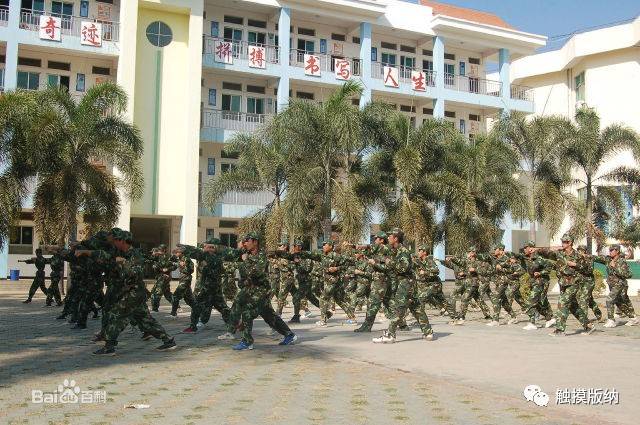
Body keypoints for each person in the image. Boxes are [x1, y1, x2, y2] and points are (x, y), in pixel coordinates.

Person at [92, 230, 176, 355]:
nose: (113, 243)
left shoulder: (134, 255)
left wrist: (122, 263)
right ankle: (168, 340)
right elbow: (108, 257)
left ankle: (109, 346)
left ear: (122, 241)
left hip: (133, 293)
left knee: (116, 315)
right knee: (145, 320)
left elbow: (135, 274)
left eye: (115, 240)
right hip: (132, 293)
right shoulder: (121, 252)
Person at [230, 232, 298, 351]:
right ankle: (290, 335)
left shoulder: (262, 255)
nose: (245, 242)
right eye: (243, 241)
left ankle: (247, 342)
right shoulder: (246, 254)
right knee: (269, 316)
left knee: (248, 312)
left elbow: (257, 272)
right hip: (251, 290)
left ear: (255, 242)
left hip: (261, 291)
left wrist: (245, 262)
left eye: (247, 240)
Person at [373, 230, 435, 343]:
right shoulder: (395, 251)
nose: (388, 238)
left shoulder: (403, 251)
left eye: (390, 236)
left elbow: (403, 268)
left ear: (396, 238)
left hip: (405, 283)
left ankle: (390, 335)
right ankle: (428, 332)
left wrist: (388, 262)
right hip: (408, 282)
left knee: (398, 308)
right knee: (416, 308)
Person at [538, 234, 593, 336]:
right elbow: (548, 253)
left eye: (564, 242)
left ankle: (560, 329)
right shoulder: (559, 254)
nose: (562, 243)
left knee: (562, 303)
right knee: (573, 307)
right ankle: (588, 325)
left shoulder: (578, 255)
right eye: (562, 241)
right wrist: (539, 250)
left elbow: (588, 269)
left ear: (570, 243)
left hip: (573, 283)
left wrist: (575, 264)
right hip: (563, 283)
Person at [180, 238, 233, 333]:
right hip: (212, 287)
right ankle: (233, 322)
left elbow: (214, 273)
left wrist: (205, 267)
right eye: (205, 246)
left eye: (208, 246)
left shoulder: (216, 258)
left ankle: (193, 327)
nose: (205, 248)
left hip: (208, 287)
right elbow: (196, 252)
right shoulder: (209, 256)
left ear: (214, 248)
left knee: (197, 305)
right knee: (221, 306)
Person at [354, 232, 392, 333]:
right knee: (388, 303)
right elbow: (367, 251)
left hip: (381, 281)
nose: (374, 241)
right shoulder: (378, 251)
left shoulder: (385, 249)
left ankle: (366, 327)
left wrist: (374, 263)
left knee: (372, 303)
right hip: (378, 280)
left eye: (376, 239)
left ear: (382, 240)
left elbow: (387, 268)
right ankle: (402, 324)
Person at [594, 244, 639, 328]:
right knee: (620, 303)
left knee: (609, 299)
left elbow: (628, 274)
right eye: (609, 250)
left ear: (617, 251)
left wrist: (615, 268)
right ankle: (633, 317)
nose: (610, 252)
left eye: (612, 250)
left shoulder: (622, 261)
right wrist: (584, 255)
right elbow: (596, 258)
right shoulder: (608, 259)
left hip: (620, 284)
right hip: (612, 284)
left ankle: (611, 320)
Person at [515, 241, 554, 331]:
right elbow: (517, 256)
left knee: (530, 301)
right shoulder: (526, 258)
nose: (524, 249)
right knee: (540, 302)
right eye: (524, 248)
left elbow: (549, 267)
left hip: (541, 282)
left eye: (526, 247)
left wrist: (540, 272)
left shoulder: (539, 258)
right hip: (534, 282)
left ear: (531, 248)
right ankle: (550, 319)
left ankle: (532, 323)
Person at [487, 244, 517, 326]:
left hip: (503, 281)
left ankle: (495, 320)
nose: (494, 251)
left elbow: (511, 269)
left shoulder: (506, 259)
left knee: (496, 297)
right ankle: (513, 316)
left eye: (495, 249)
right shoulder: (495, 258)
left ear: (500, 250)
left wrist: (501, 268)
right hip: (497, 281)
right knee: (504, 302)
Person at [575, 245, 603, 322]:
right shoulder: (576, 259)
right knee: (590, 300)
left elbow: (588, 271)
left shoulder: (589, 258)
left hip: (588, 281)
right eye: (579, 250)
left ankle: (584, 320)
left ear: (585, 251)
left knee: (583, 299)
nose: (580, 252)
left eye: (582, 250)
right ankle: (599, 315)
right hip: (580, 281)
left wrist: (578, 265)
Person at [150, 245, 175, 312]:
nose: (159, 251)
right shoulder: (157, 257)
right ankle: (176, 305)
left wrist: (167, 269)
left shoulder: (168, 257)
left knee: (156, 293)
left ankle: (155, 309)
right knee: (167, 294)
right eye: (158, 250)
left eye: (160, 250)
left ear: (164, 250)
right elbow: (150, 259)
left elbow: (175, 266)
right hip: (160, 277)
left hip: (164, 277)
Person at [171, 246, 195, 317]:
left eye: (176, 253)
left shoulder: (186, 259)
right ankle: (198, 310)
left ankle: (173, 313)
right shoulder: (180, 259)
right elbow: (174, 265)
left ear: (180, 253)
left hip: (186, 279)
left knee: (175, 296)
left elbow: (191, 270)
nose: (175, 254)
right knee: (188, 299)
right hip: (182, 278)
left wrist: (181, 266)